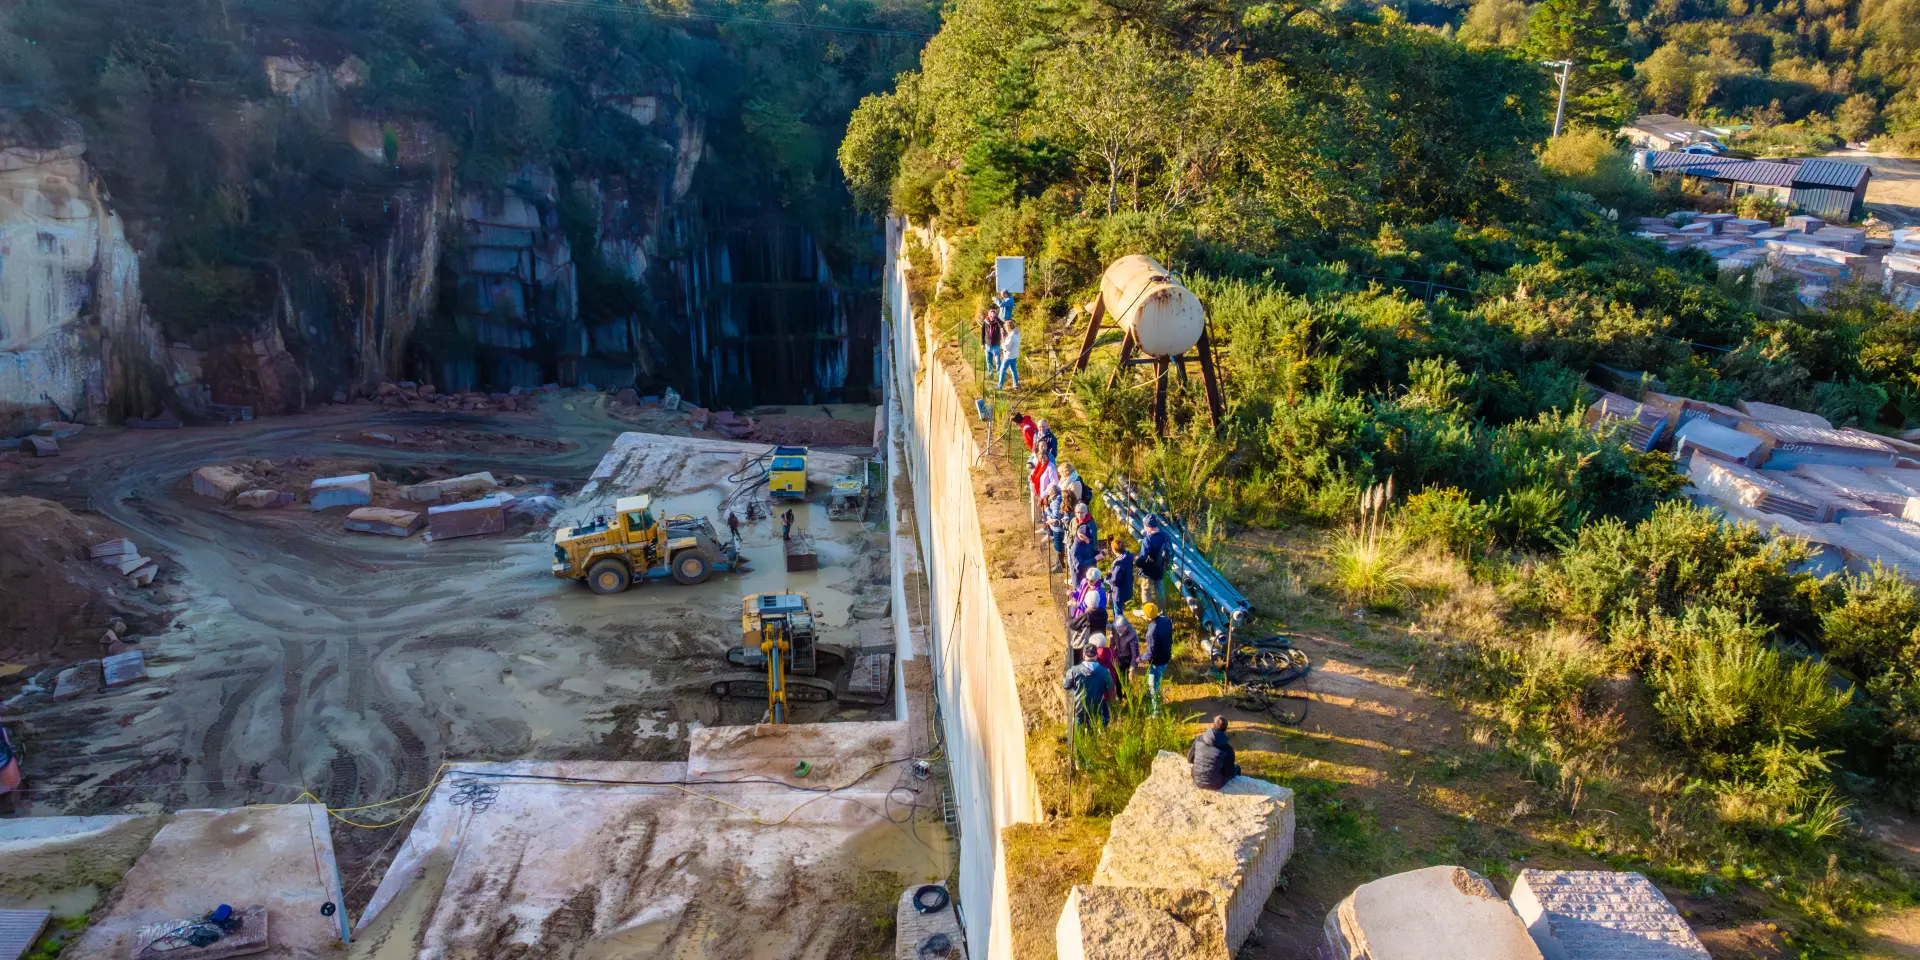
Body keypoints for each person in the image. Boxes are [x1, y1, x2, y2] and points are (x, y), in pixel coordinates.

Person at [1188, 716, 1241, 790]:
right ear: (1225, 729)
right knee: (1237, 768)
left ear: (1213, 725)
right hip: (1215, 784)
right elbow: (1229, 772)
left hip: (1196, 779)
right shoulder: (1228, 749)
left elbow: (1189, 759)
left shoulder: (1199, 739)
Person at [1063, 658, 1113, 726]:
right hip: (1097, 706)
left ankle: (1079, 735)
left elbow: (1066, 685)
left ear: (1084, 655)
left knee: (1079, 726)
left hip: (1079, 706)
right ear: (1096, 656)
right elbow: (1110, 686)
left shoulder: (1073, 670)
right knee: (1095, 726)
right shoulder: (1105, 671)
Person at [1142, 602, 1173, 709]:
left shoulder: (1152, 632)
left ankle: (1157, 712)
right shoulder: (1166, 620)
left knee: (1154, 686)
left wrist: (1140, 658)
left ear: (1147, 616)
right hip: (1166, 655)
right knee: (1157, 680)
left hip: (1157, 662)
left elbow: (1150, 653)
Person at [1135, 515, 1170, 607]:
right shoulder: (1165, 536)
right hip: (1161, 567)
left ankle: (1149, 613)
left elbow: (1142, 558)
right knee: (1160, 591)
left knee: (1146, 590)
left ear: (1148, 526)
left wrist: (1136, 561)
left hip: (1149, 570)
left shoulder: (1148, 539)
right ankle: (1162, 613)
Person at [1107, 610, 1139, 697]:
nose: (1118, 631)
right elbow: (1112, 644)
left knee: (1126, 681)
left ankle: (1128, 696)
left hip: (1127, 659)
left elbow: (1135, 653)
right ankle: (1119, 696)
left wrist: (1132, 669)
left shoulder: (1132, 634)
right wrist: (1112, 656)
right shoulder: (1115, 628)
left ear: (1126, 627)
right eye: (1116, 629)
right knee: (1117, 679)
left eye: (1120, 629)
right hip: (1118, 658)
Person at [1106, 538, 1135, 612]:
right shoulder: (1128, 556)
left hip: (1118, 592)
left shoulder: (1119, 563)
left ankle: (1119, 623)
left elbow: (1115, 581)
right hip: (1127, 587)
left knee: (1118, 611)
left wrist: (1108, 577)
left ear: (1114, 549)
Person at [982, 307, 1004, 378]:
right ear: (988, 315)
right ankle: (990, 374)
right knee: (988, 361)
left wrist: (996, 318)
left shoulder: (997, 322)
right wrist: (982, 343)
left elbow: (1002, 325)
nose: (992, 317)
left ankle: (998, 374)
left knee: (998, 361)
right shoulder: (985, 322)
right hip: (987, 345)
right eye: (990, 315)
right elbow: (982, 333)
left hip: (996, 346)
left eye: (993, 315)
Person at [998, 324, 1021, 389]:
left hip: (1009, 356)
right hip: (1014, 355)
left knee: (1002, 369)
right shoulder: (1017, 333)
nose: (1005, 329)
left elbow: (1007, 348)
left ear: (1009, 327)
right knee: (1014, 370)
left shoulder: (1011, 336)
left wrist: (1002, 343)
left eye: (1005, 327)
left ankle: (1000, 386)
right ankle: (1015, 385)